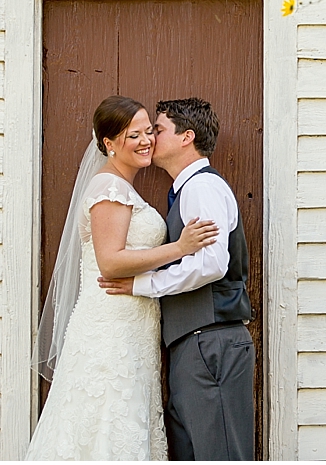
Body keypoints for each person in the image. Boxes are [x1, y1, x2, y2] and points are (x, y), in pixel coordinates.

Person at [26, 95, 218, 461]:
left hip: (133, 325)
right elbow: (110, 262)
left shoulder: (123, 188)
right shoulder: (109, 189)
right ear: (109, 144)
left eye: (149, 131)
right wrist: (181, 247)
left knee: (125, 422)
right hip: (111, 327)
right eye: (134, 135)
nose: (146, 140)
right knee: (106, 420)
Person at [99, 97, 255, 461]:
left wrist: (144, 285)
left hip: (211, 342)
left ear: (186, 137)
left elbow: (211, 264)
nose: (151, 137)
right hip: (194, 343)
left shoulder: (202, 188)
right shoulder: (187, 191)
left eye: (158, 129)